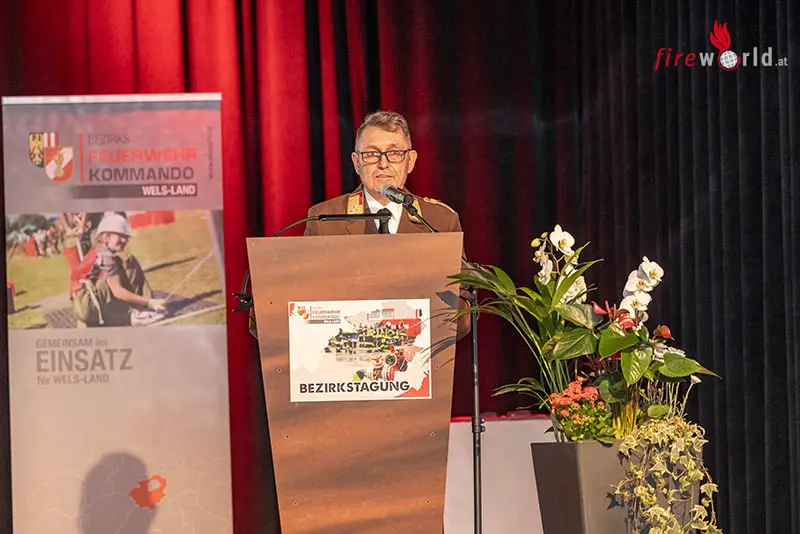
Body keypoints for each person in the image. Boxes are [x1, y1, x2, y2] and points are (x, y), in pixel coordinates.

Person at [304, 110, 470, 338]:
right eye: (372, 154)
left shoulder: (439, 220)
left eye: (394, 153)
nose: (383, 164)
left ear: (410, 161)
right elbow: (306, 300)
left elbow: (463, 310)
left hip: (420, 350)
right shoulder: (325, 220)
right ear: (357, 163)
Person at [70, 212, 166, 328]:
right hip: (88, 304)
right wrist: (149, 302)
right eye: (120, 236)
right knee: (129, 262)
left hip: (81, 308)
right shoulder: (106, 256)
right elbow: (118, 292)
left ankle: (132, 317)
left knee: (118, 268)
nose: (125, 240)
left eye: (126, 237)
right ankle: (145, 310)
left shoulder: (97, 251)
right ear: (106, 237)